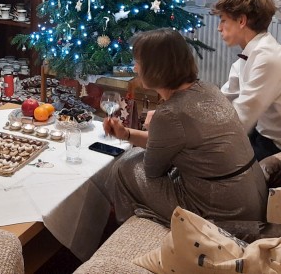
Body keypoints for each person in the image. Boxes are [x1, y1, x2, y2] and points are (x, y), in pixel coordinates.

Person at [102, 29, 267, 225]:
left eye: (138, 62)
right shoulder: (208, 88)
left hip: (223, 210)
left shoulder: (170, 114)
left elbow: (153, 170)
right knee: (140, 158)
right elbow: (169, 144)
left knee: (125, 165)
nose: (135, 68)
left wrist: (154, 129)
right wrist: (127, 133)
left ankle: (122, 226)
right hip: (252, 198)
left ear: (156, 67)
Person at [214, 0, 281, 160]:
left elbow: (242, 117)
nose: (219, 28)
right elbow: (224, 99)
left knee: (210, 160)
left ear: (241, 21)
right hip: (263, 134)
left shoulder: (268, 59)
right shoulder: (249, 55)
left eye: (223, 21)